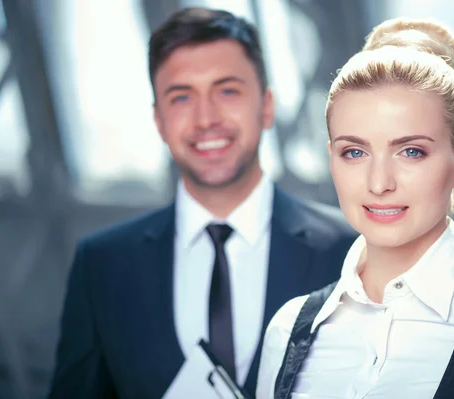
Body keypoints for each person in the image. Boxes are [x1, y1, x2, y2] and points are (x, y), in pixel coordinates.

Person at [48, 7, 357, 399]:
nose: (205, 118)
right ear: (159, 120)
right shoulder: (103, 264)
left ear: (265, 106)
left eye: (227, 91)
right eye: (181, 97)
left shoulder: (350, 250)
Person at [256, 17, 454, 399]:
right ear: (331, 158)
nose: (379, 182)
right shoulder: (287, 331)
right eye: (354, 152)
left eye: (411, 151)